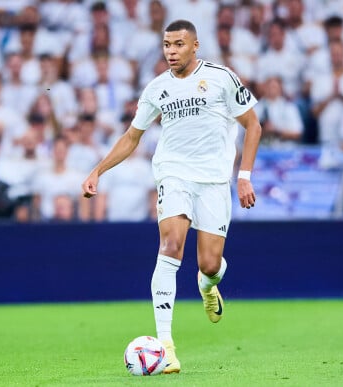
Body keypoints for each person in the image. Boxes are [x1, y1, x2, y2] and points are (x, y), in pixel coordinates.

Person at [81, 19, 262, 374]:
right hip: (173, 174)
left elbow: (253, 125)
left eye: (179, 44)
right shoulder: (156, 89)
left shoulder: (222, 78)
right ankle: (166, 346)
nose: (171, 51)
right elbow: (132, 137)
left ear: (195, 46)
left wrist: (244, 177)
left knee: (210, 265)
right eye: (167, 45)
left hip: (213, 181)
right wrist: (97, 170)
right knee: (170, 247)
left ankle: (207, 287)